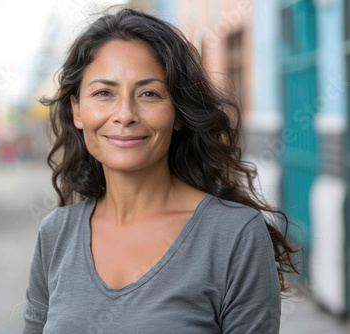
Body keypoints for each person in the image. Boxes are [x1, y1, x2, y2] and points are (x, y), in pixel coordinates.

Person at [23, 8, 297, 334]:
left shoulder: (235, 235)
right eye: (104, 93)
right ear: (77, 111)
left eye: (149, 94)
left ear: (179, 113)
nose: (125, 114)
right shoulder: (56, 234)